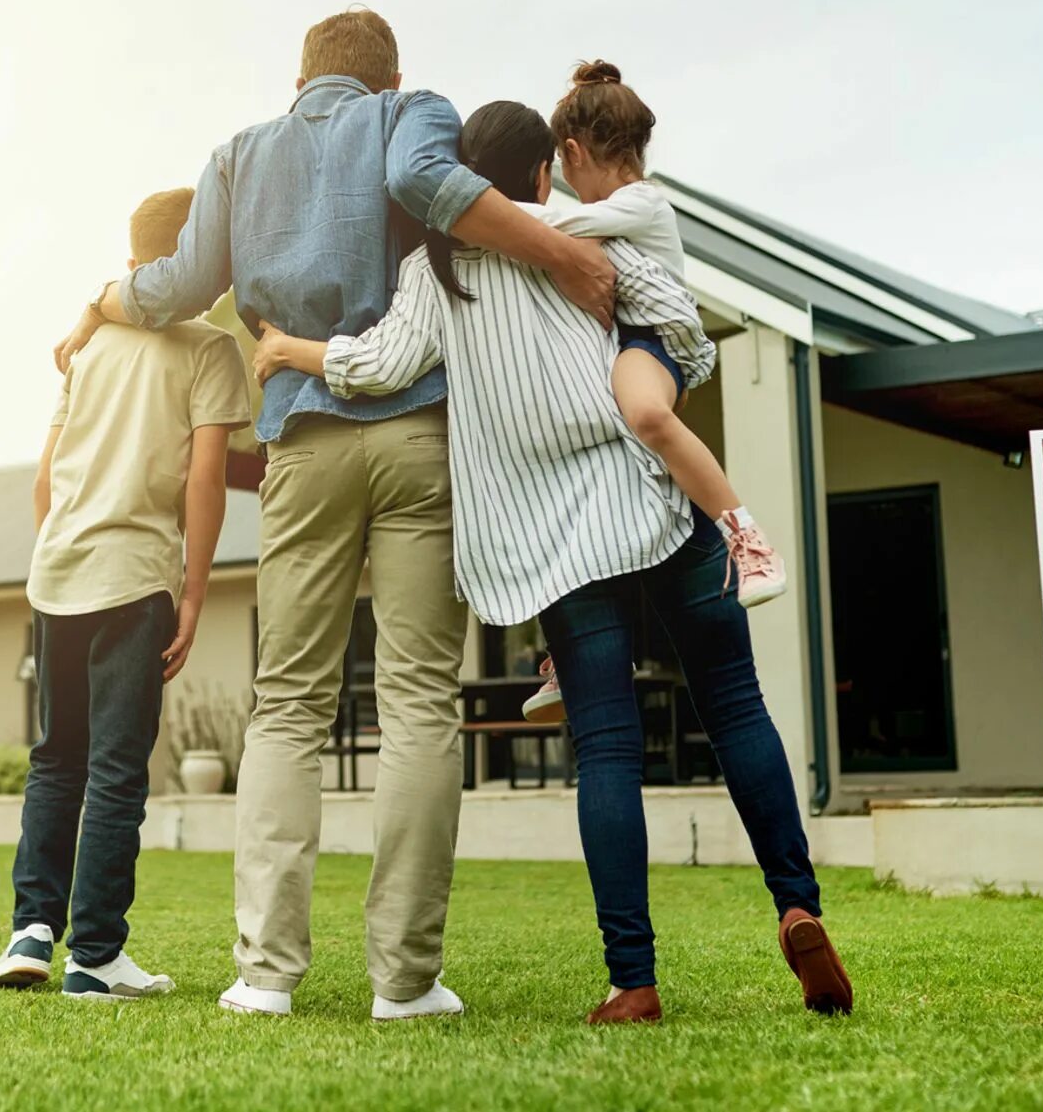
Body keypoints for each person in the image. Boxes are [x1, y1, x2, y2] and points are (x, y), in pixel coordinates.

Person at [52, 8, 616, 1021]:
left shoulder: (239, 154)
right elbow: (426, 186)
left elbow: (180, 285)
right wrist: (563, 254)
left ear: (302, 76)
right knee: (416, 704)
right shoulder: (412, 111)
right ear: (387, 73)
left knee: (288, 705)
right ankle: (404, 982)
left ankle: (265, 975)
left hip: (302, 444)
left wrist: (105, 295)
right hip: (416, 441)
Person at [255, 91, 852, 1024]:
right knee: (736, 707)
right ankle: (797, 903)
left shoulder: (435, 267)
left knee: (606, 749)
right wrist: (656, 373)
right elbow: (678, 325)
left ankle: (634, 980)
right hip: (651, 501)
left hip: (559, 548)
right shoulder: (583, 237)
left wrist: (287, 347)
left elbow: (377, 365)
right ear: (543, 173)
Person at [0, 188, 250, 1001]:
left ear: (134, 265)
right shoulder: (209, 349)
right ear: (199, 263)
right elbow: (207, 476)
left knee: (55, 758)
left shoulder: (88, 347)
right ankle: (94, 953)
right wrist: (195, 592)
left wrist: (59, 551)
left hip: (57, 573)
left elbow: (43, 477)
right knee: (115, 769)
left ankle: (32, 929)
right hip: (134, 579)